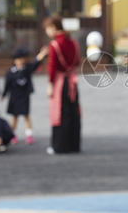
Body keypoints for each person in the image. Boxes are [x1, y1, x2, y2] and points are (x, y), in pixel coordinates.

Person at [44, 15, 81, 155]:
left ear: (53, 27)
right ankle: (74, 145)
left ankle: (59, 146)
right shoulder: (73, 42)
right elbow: (77, 62)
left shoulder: (54, 44)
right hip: (72, 81)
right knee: (73, 112)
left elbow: (52, 67)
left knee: (59, 113)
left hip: (60, 82)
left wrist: (50, 84)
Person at [2, 46, 48, 145]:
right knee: (15, 117)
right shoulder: (10, 72)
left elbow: (36, 62)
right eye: (19, 59)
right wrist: (4, 94)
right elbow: (7, 85)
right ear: (14, 60)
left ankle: (29, 134)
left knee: (26, 115)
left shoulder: (27, 69)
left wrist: (42, 54)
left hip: (24, 96)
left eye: (23, 59)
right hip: (14, 97)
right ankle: (12, 134)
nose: (21, 61)